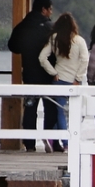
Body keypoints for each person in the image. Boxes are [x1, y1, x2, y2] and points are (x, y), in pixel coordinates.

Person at [7, 0, 55, 151]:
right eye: (50, 9)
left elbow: (13, 46)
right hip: (47, 76)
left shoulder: (23, 25)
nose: (51, 12)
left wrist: (27, 49)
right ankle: (50, 141)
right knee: (51, 109)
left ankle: (29, 144)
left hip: (29, 74)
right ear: (44, 9)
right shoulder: (49, 27)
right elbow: (57, 52)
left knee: (30, 109)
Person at [38, 12, 89, 151]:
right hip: (74, 81)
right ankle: (67, 142)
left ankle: (56, 139)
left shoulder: (54, 38)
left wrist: (53, 72)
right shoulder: (79, 41)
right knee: (74, 113)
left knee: (59, 112)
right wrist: (78, 78)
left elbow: (42, 57)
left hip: (59, 79)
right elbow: (85, 60)